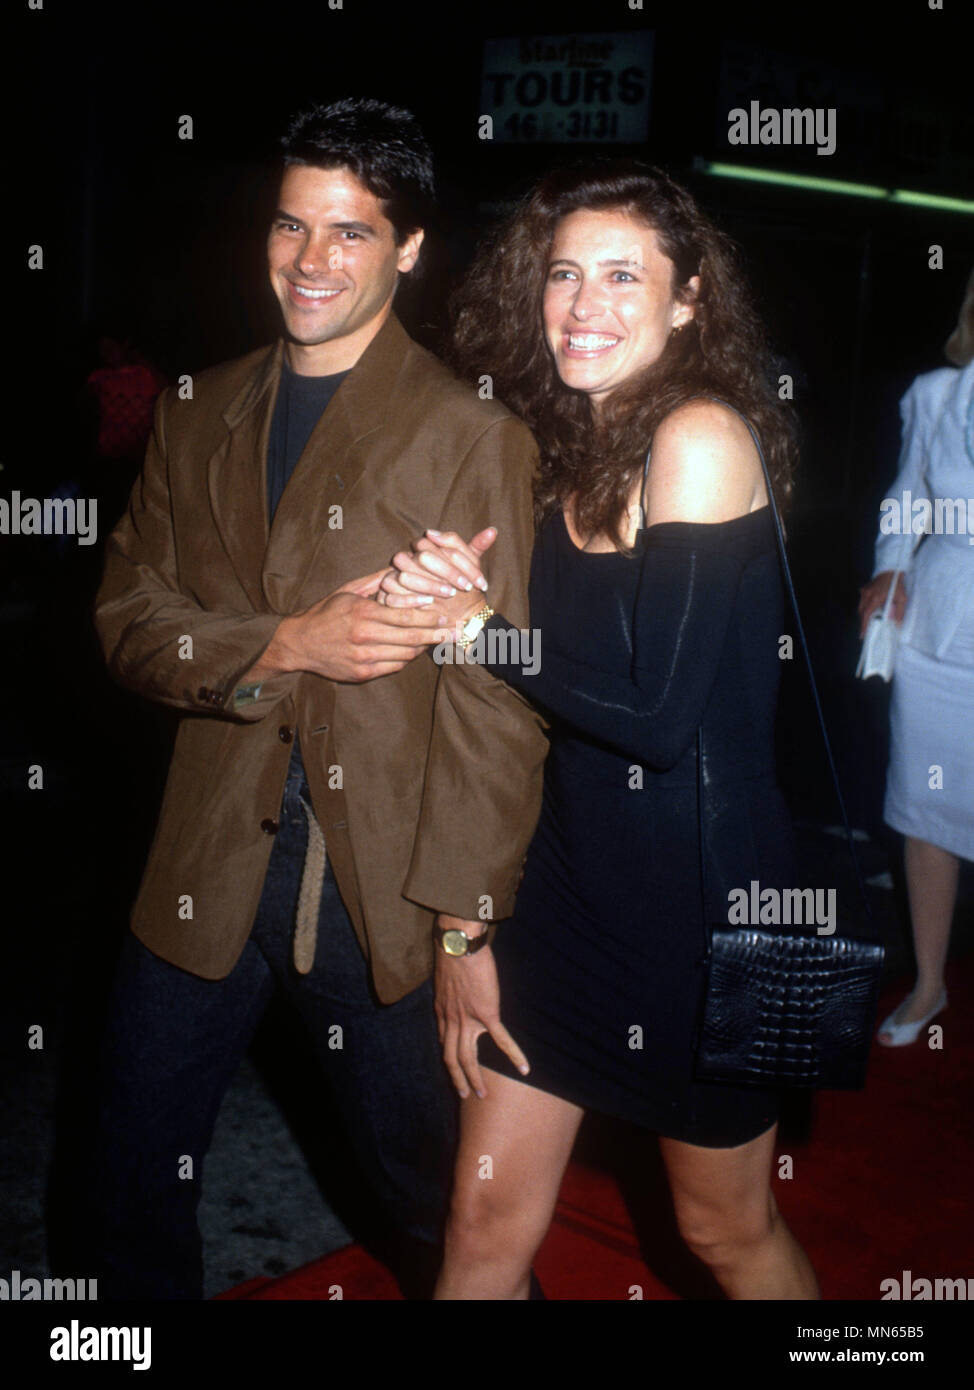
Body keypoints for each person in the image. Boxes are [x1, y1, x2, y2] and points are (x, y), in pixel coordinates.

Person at [84, 97, 547, 1299]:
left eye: (349, 233)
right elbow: (127, 622)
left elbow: (498, 704)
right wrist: (287, 640)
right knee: (124, 1179)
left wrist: (461, 923)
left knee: (427, 1202)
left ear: (406, 249)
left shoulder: (468, 431)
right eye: (291, 228)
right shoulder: (195, 411)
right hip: (205, 858)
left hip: (377, 885)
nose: (310, 262)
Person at [380, 161, 820, 1300]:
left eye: (625, 275)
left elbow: (658, 717)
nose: (584, 304)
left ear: (687, 304)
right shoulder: (558, 445)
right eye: (564, 273)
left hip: (709, 916)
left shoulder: (700, 438)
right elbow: (524, 689)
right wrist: (449, 594)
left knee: (723, 1230)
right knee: (479, 1228)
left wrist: (479, 631)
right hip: (566, 897)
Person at [858, 270, 974, 1046]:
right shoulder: (937, 393)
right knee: (925, 814)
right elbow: (907, 499)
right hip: (940, 621)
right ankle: (929, 984)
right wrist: (890, 569)